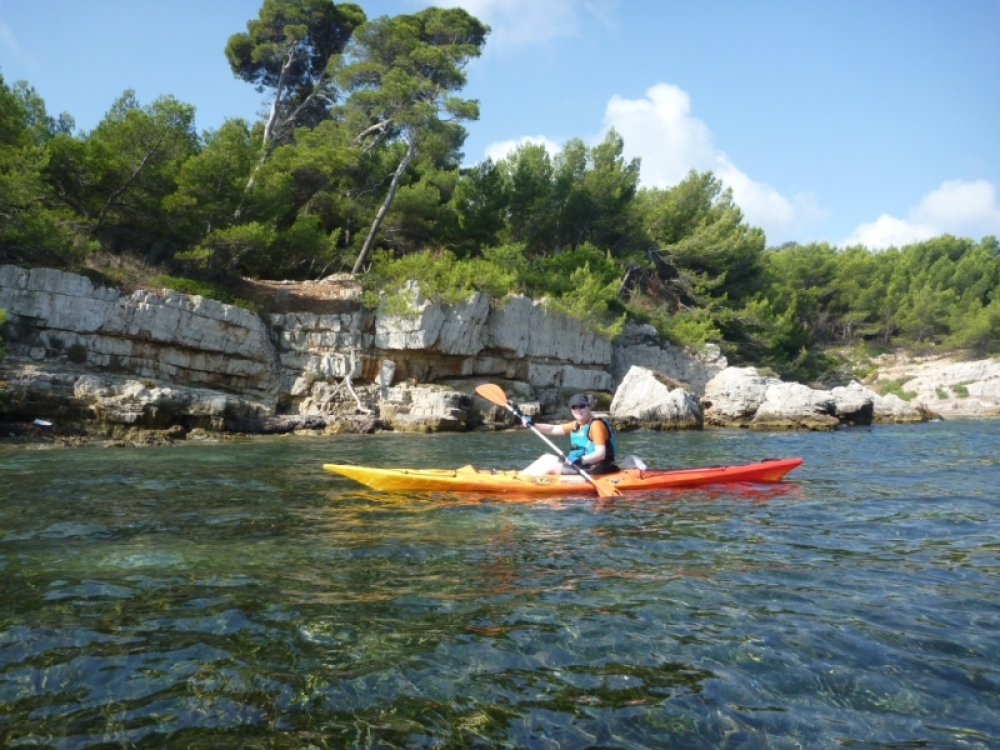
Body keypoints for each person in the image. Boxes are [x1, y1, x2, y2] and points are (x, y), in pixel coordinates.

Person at [519, 393, 618, 476]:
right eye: (574, 407)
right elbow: (553, 429)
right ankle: (521, 477)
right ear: (571, 409)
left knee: (552, 465)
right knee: (547, 457)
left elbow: (600, 454)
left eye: (582, 406)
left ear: (589, 407)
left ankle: (523, 483)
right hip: (581, 465)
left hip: (595, 468)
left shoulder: (596, 425)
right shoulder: (577, 424)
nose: (578, 410)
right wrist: (533, 424)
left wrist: (580, 460)